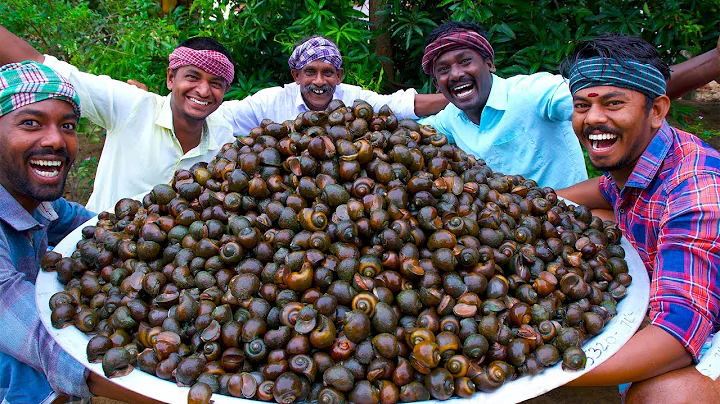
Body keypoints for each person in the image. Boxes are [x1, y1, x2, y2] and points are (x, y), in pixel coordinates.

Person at [555, 34, 720, 402]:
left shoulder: (694, 189)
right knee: (593, 219)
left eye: (614, 103)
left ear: (657, 111)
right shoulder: (635, 159)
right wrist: (522, 201)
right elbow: (603, 190)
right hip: (668, 291)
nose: (594, 118)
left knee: (665, 396)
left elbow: (679, 334)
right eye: (582, 106)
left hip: (705, 322)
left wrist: (543, 375)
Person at [0, 61, 160, 403]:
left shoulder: (39, 204)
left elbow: (103, 226)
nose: (56, 140)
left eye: (68, 125)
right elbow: (48, 344)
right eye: (31, 123)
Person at [418, 21, 720, 190]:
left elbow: (614, 91)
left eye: (465, 61)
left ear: (489, 63)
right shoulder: (448, 122)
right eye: (442, 70)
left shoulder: (533, 94)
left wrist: (713, 64)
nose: (455, 74)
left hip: (568, 223)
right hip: (503, 235)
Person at [0, 25, 238, 213]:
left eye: (215, 84)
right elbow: (42, 66)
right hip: (97, 247)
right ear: (170, 78)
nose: (204, 91)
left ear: (224, 92)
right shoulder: (133, 106)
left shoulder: (223, 138)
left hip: (168, 264)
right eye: (193, 77)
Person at [218, 35, 448, 136]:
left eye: (327, 73)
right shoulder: (271, 100)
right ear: (296, 76)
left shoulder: (354, 98)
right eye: (310, 72)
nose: (319, 81)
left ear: (339, 76)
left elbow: (398, 105)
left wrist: (459, 97)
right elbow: (223, 114)